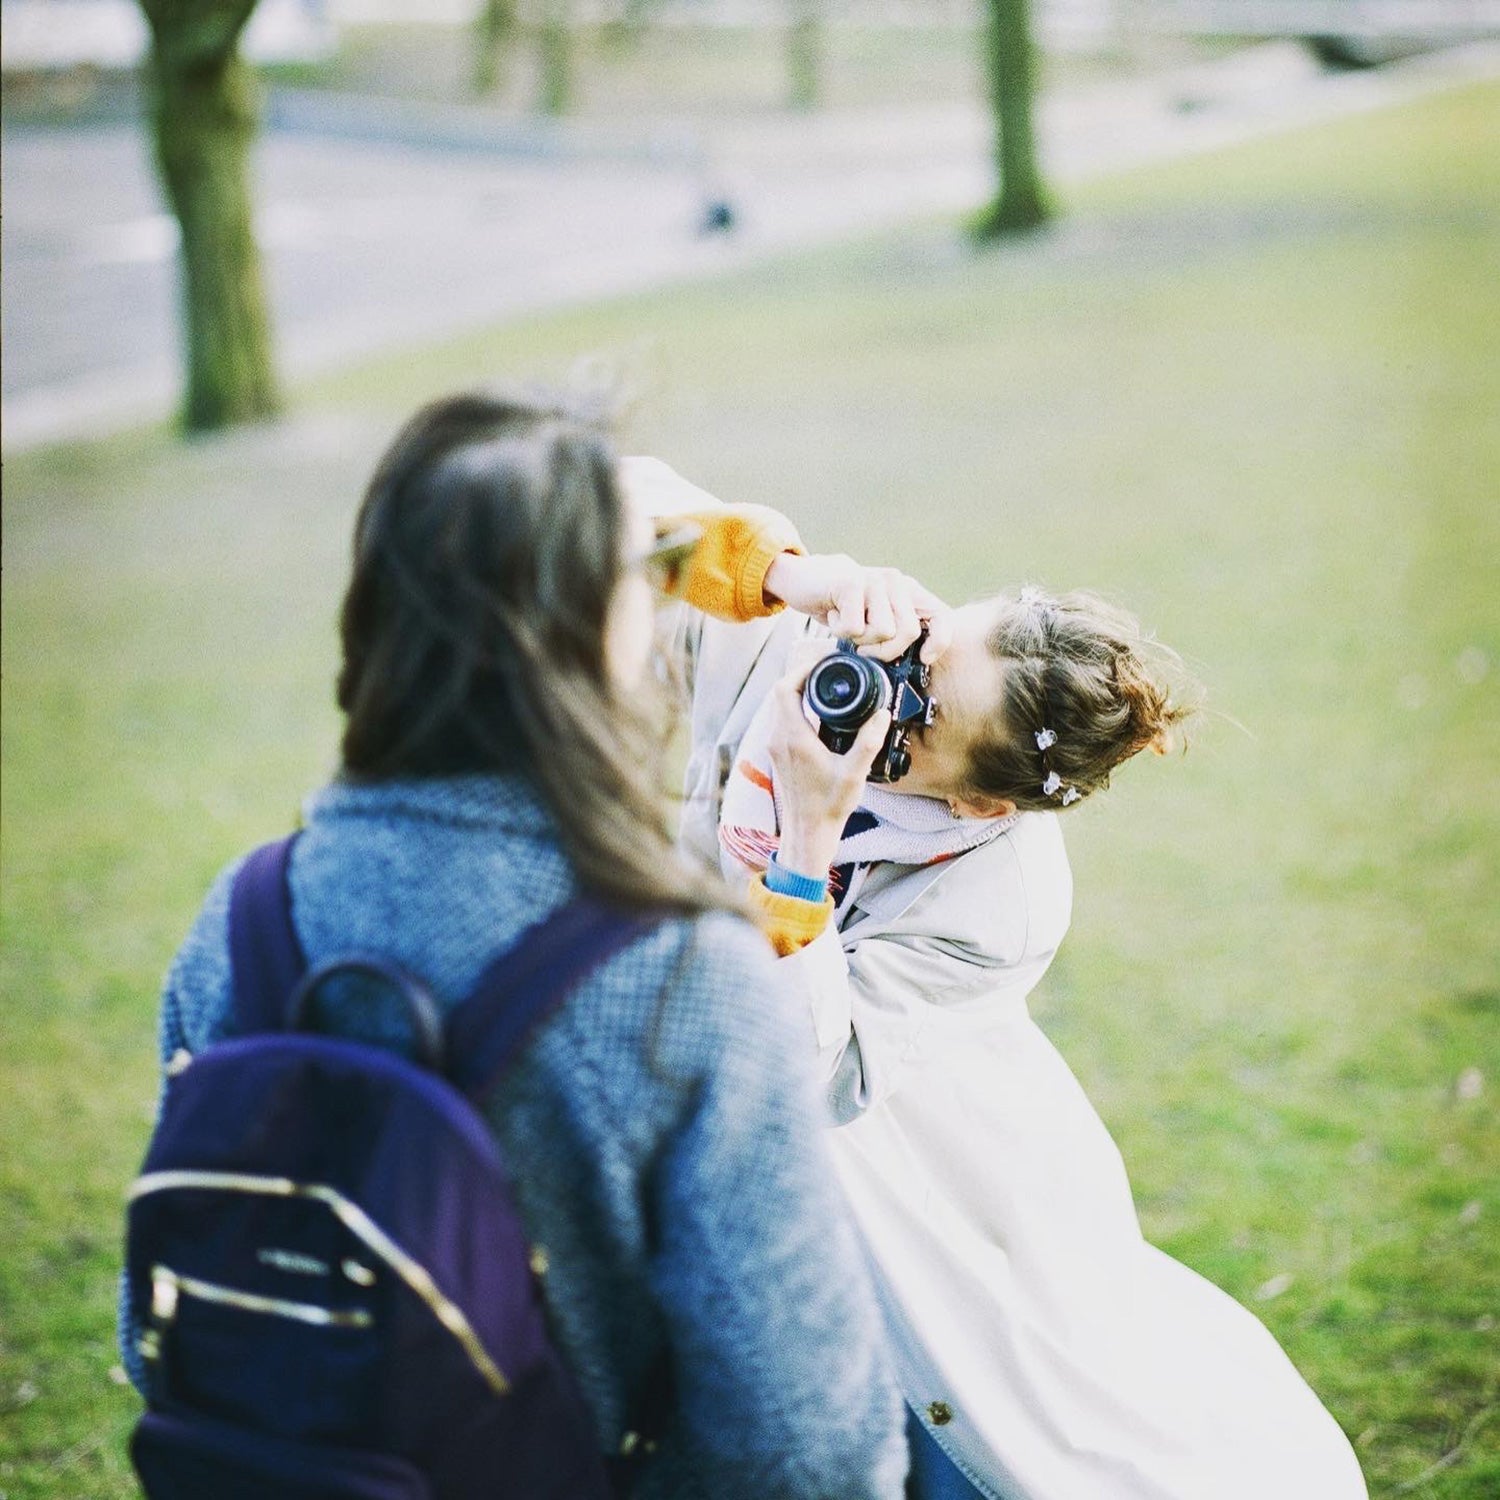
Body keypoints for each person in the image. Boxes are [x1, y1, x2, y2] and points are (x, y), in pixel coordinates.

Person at [119, 393, 909, 1499]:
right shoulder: (683, 984)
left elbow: (154, 1328)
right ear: (597, 640)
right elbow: (803, 1449)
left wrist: (779, 577)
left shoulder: (242, 920)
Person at [626, 457, 1368, 1500]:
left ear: (982, 805)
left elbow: (795, 1078)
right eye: (921, 649)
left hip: (895, 1153)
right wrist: (791, 574)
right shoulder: (796, 637)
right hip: (673, 1116)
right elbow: (577, 521)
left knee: (994, 1423)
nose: (881, 694)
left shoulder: (1000, 898)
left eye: (922, 718)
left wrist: (803, 839)